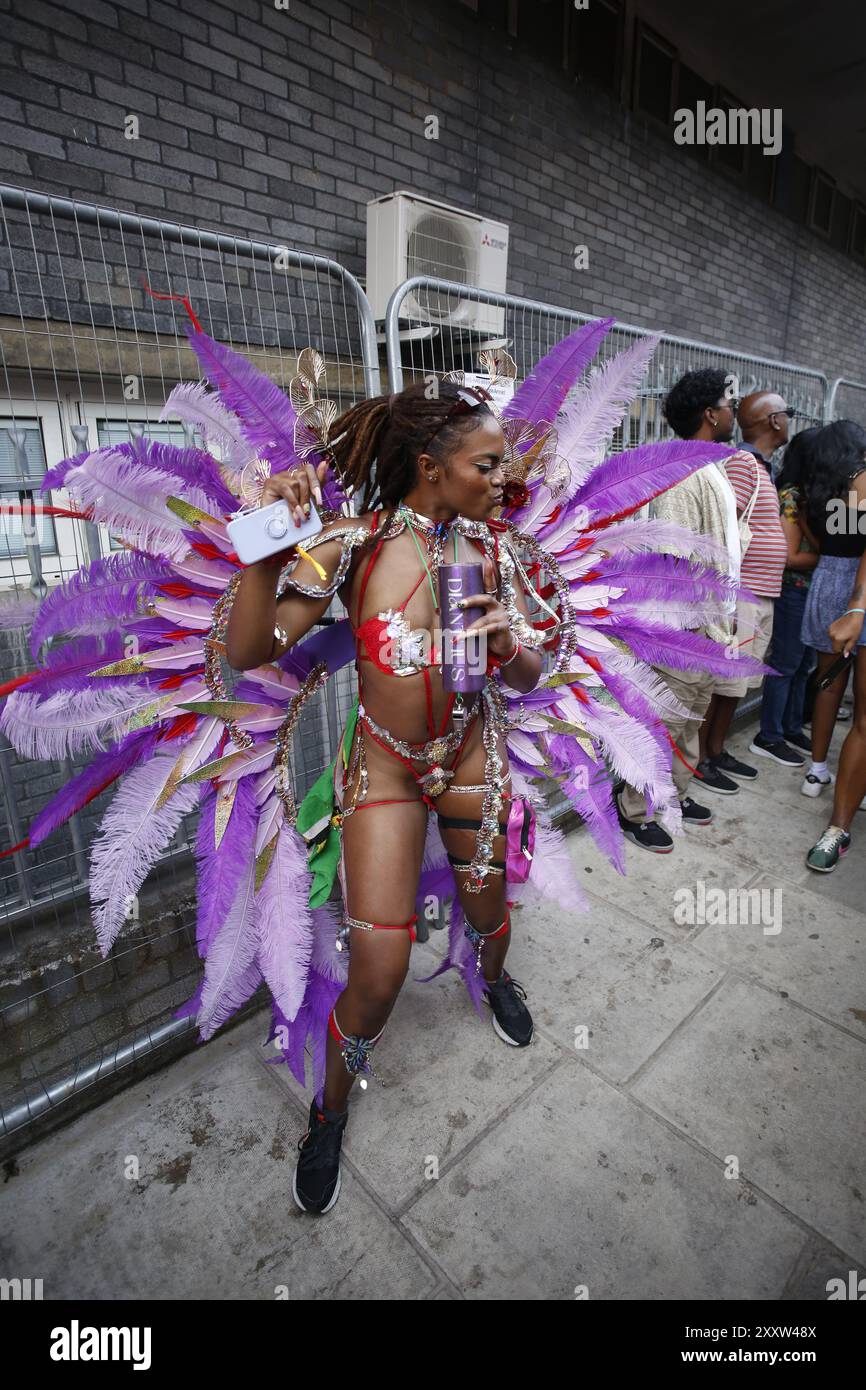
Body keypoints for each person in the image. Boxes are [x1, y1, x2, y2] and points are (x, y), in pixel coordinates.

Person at [616, 367, 740, 850]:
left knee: (689, 721)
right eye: (730, 403)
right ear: (711, 414)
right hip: (681, 629)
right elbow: (674, 557)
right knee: (663, 723)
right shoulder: (685, 474)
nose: (734, 411)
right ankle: (636, 809)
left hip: (706, 629)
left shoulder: (707, 465)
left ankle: (675, 793)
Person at [698, 390, 793, 788]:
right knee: (722, 683)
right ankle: (701, 758)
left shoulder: (761, 466)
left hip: (760, 593)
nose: (790, 421)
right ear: (773, 421)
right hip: (744, 595)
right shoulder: (742, 465)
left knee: (736, 685)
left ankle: (716, 751)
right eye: (787, 415)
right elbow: (725, 529)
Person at [797, 420, 866, 870]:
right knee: (857, 706)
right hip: (853, 586)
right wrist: (858, 605)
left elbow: (818, 539)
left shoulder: (813, 491)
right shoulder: (859, 482)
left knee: (828, 684)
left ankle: (816, 769)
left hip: (829, 577)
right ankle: (840, 820)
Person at [753, 428, 820, 762]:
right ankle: (769, 735)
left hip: (807, 590)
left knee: (804, 664)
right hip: (792, 590)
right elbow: (791, 556)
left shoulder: (812, 494)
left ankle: (791, 728)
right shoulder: (791, 494)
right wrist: (833, 559)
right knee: (786, 664)